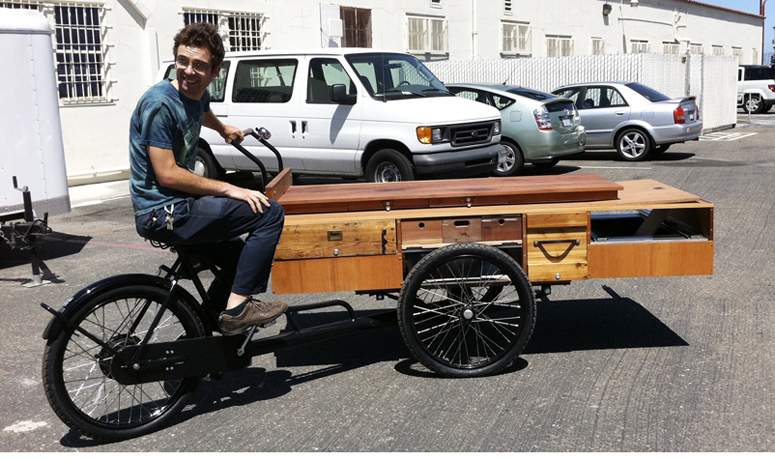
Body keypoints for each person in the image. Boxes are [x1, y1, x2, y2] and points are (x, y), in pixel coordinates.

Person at [129, 22, 287, 335]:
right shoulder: (160, 104)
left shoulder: (195, 93)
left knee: (238, 255)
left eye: (199, 66)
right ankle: (239, 309)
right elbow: (168, 174)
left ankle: (206, 329)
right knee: (269, 213)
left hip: (178, 206)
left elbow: (201, 109)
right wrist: (230, 189)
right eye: (182, 61)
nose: (188, 71)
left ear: (215, 71)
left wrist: (223, 128)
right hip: (164, 211)